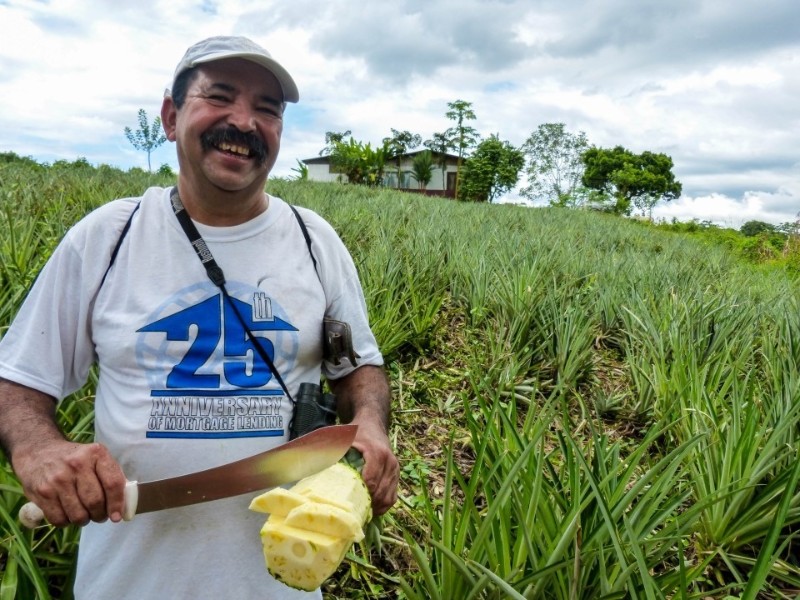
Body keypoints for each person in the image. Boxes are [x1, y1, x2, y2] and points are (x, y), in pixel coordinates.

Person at [0, 35, 399, 599]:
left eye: (267, 109)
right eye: (221, 96)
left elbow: (358, 366)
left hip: (284, 580)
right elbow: (18, 377)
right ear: (170, 116)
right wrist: (38, 448)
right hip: (129, 582)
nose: (244, 121)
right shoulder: (108, 237)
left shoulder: (315, 241)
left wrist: (371, 423)